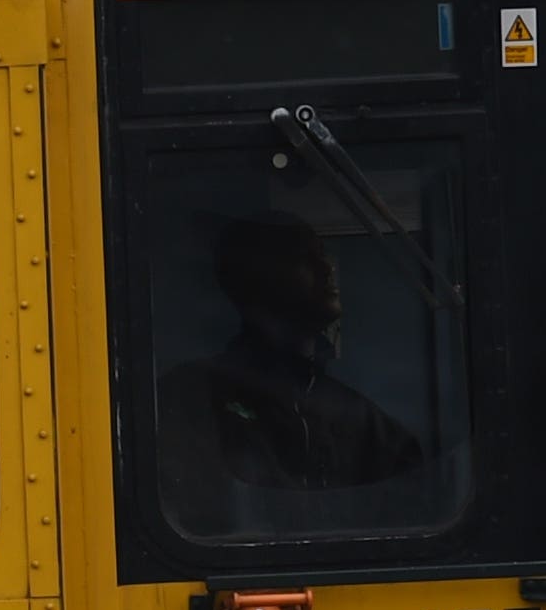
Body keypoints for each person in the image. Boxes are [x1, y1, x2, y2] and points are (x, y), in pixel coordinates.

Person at [160, 209, 427, 506]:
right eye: (305, 258)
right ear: (256, 278)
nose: (327, 269)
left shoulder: (363, 420)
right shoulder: (189, 397)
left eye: (322, 255)